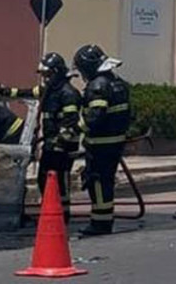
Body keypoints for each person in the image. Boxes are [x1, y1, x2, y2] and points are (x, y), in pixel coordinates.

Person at [0, 52, 82, 222]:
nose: (45, 78)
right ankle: (51, 211)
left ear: (57, 72)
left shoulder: (68, 93)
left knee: (60, 181)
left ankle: (62, 215)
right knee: (45, 178)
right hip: (51, 144)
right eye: (44, 75)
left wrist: (59, 142)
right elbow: (27, 92)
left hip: (63, 146)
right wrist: (4, 91)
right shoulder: (49, 90)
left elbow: (70, 123)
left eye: (48, 75)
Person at [73, 44, 130, 236]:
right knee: (105, 181)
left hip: (100, 144)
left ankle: (100, 223)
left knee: (97, 182)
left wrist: (75, 128)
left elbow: (95, 117)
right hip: (115, 142)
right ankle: (104, 220)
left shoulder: (98, 85)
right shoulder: (117, 82)